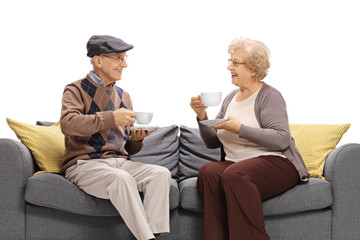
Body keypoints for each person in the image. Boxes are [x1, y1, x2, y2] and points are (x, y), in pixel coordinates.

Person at [190, 37, 310, 240]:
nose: (229, 67)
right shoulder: (230, 98)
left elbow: (281, 139)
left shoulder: (269, 96)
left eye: (236, 63)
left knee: (236, 174)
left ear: (254, 69)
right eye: (229, 61)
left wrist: (240, 129)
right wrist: (202, 116)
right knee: (209, 171)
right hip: (238, 165)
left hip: (277, 163)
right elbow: (212, 142)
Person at [60, 35, 171, 240]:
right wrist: (111, 117)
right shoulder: (75, 89)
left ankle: (155, 234)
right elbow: (68, 124)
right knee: (121, 179)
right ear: (98, 60)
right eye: (118, 58)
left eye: (125, 58)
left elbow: (127, 147)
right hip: (85, 165)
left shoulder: (124, 96)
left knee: (160, 174)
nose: (125, 64)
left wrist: (136, 140)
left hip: (120, 162)